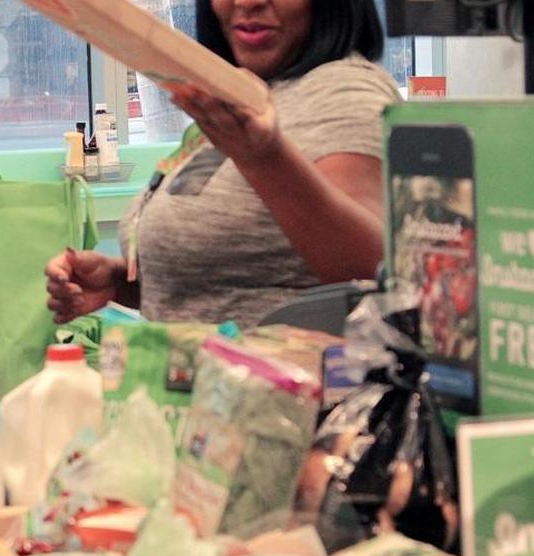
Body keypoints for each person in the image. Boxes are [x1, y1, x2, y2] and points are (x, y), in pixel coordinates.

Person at [46, 0, 401, 328]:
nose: (247, 2)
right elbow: (239, 278)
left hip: (283, 392)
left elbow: (376, 274)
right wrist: (120, 280)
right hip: (197, 386)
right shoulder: (244, 98)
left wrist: (266, 159)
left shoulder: (344, 91)